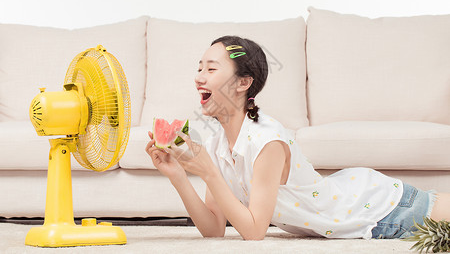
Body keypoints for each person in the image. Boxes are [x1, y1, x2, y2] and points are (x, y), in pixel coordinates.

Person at [145, 35, 450, 240]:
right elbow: (214, 230)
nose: (199, 76)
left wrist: (208, 172)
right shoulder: (216, 144)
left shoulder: (267, 141)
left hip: (381, 207)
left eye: (211, 69)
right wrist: (179, 177)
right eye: (199, 68)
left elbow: (254, 232)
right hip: (356, 211)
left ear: (243, 84)